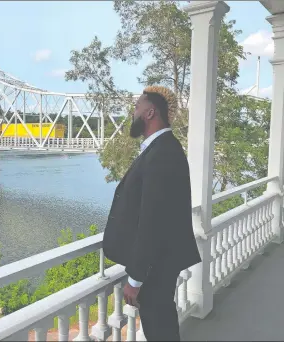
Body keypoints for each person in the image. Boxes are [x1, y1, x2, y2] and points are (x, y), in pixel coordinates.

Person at [102, 86, 201, 341]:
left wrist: (135, 280)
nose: (132, 113)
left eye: (136, 108)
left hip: (156, 267)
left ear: (149, 112)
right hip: (160, 262)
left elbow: (153, 220)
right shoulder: (163, 149)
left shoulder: (162, 153)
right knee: (162, 328)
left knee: (160, 332)